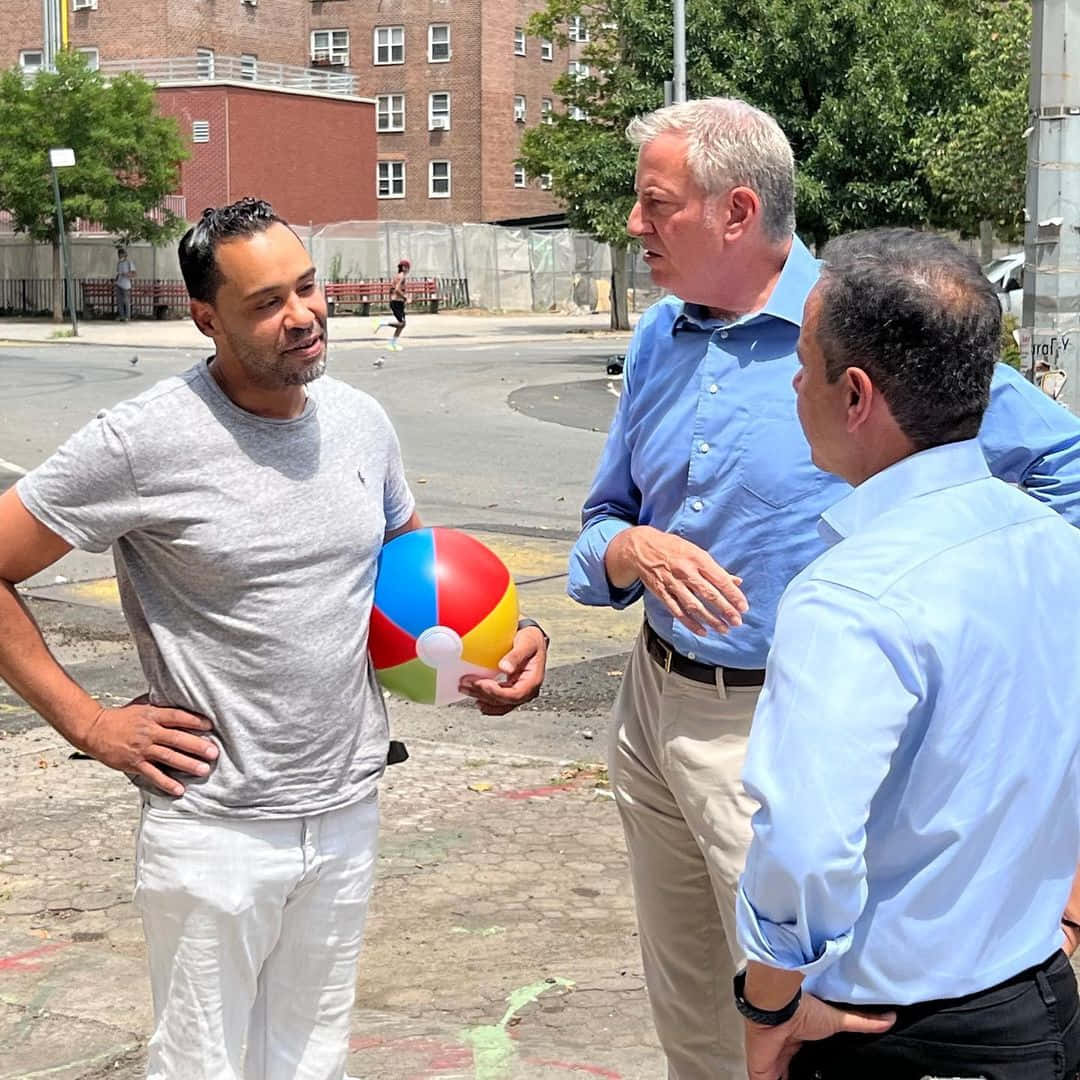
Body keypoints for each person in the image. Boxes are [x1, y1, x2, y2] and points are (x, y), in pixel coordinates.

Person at [566, 97, 1080, 1080]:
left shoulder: (866, 331)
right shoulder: (661, 339)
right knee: (693, 1017)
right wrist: (626, 550)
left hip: (792, 735)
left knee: (796, 1018)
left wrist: (964, 614)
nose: (633, 225)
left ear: (736, 212)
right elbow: (600, 526)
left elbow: (1062, 472)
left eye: (656, 204)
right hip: (654, 708)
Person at [0, 198, 548, 1080]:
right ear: (205, 318)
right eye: (266, 303)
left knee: (310, 1063)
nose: (302, 315)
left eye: (307, 287)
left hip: (346, 808)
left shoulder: (361, 421)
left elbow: (418, 574)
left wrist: (510, 640)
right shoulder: (142, 442)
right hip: (214, 826)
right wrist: (90, 725)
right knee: (201, 1067)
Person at [735, 227, 1080, 1080]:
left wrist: (769, 1005)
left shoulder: (848, 596)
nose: (793, 382)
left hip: (900, 1034)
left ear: (855, 393)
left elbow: (804, 850)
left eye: (803, 362)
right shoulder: (1055, 544)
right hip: (1040, 1001)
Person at [373, 258, 410, 350]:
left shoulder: (397, 276)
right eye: (407, 267)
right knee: (401, 323)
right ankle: (382, 323)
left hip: (397, 302)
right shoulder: (402, 276)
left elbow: (391, 289)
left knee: (402, 324)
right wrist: (405, 298)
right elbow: (397, 290)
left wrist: (394, 298)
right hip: (397, 302)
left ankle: (392, 344)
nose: (408, 269)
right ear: (403, 267)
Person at [115, 246, 135, 321]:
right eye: (118, 254)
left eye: (121, 254)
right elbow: (118, 273)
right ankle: (122, 316)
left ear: (124, 254)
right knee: (119, 301)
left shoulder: (129, 262)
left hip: (126, 285)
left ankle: (127, 316)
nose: (119, 256)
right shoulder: (119, 263)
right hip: (119, 284)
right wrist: (116, 279)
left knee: (126, 301)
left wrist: (126, 274)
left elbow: (134, 273)